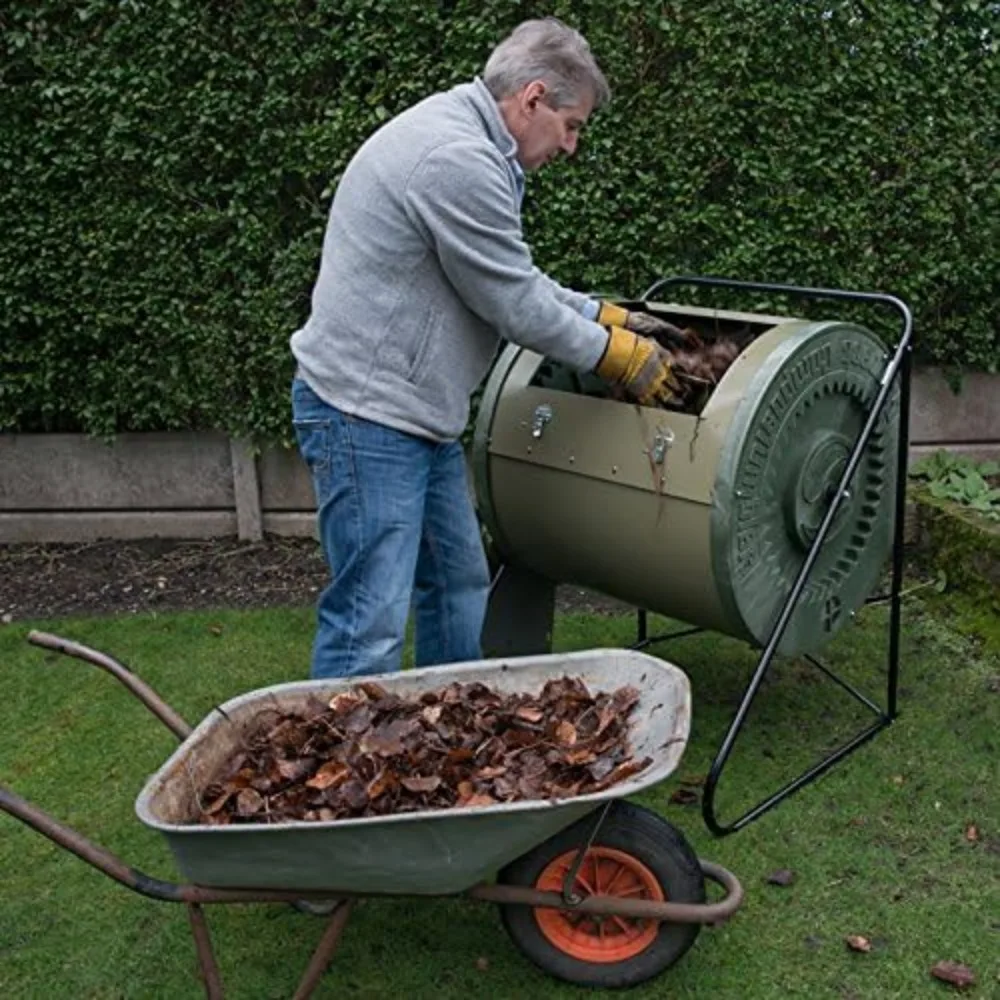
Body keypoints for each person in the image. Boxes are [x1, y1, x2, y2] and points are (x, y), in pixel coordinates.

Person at [290, 17, 683, 681]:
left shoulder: (471, 140)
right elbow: (514, 306)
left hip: (417, 416)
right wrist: (621, 358)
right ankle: (337, 777)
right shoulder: (455, 159)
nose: (573, 145)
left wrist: (604, 314)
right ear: (532, 99)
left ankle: (446, 736)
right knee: (369, 620)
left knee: (457, 585)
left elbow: (514, 276)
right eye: (573, 124)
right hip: (366, 418)